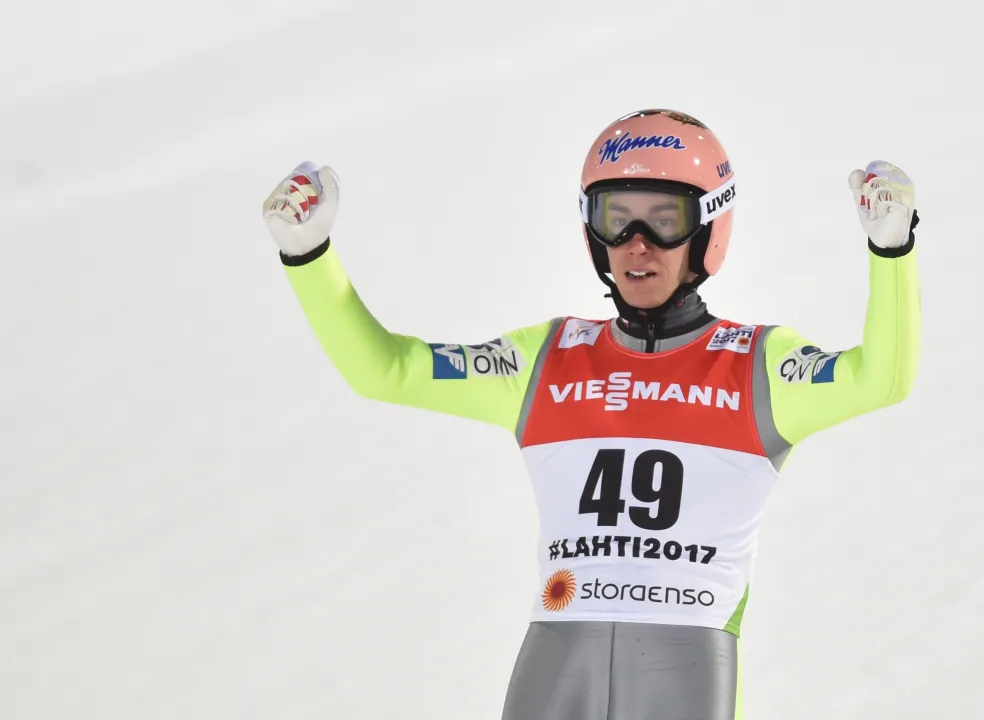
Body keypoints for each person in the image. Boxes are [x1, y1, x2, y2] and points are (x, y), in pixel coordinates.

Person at [261, 108, 921, 720]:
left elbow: (880, 379)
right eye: (615, 218)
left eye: (663, 220)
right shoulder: (545, 359)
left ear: (708, 230)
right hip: (559, 653)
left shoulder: (755, 364)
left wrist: (891, 252)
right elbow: (385, 370)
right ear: (590, 230)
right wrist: (307, 255)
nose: (637, 244)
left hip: (686, 662)